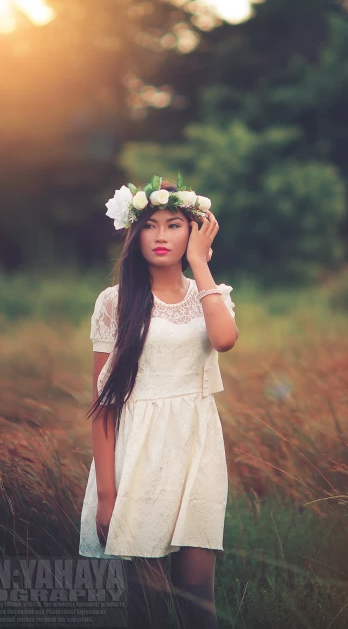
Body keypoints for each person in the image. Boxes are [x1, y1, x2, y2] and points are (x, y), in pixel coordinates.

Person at [79, 174, 239, 628]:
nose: (162, 236)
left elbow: (225, 339)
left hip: (197, 448)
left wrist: (200, 265)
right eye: (151, 225)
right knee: (146, 607)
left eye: (174, 224)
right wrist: (107, 496)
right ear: (135, 233)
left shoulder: (210, 296)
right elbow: (103, 406)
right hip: (140, 453)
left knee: (197, 601)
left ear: (193, 230)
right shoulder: (115, 302)